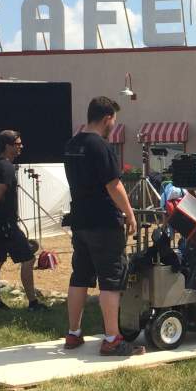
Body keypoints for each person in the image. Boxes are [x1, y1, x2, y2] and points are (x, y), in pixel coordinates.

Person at [63, 96, 144, 356]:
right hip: (104, 223)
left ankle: (73, 333)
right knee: (110, 280)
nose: (114, 127)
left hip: (80, 220)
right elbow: (114, 185)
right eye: (114, 122)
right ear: (107, 118)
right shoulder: (100, 147)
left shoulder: (71, 145)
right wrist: (130, 214)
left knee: (80, 276)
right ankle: (112, 339)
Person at [0, 130, 43, 311]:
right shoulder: (6, 167)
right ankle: (33, 303)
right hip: (6, 224)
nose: (21, 147)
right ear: (7, 146)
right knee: (28, 259)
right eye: (17, 144)